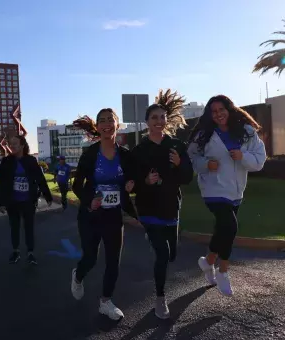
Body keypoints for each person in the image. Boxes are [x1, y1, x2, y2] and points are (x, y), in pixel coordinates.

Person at [188, 95, 266, 296]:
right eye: (213, 112)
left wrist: (243, 157)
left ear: (229, 109)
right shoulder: (204, 134)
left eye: (221, 109)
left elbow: (259, 159)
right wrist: (206, 165)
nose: (218, 114)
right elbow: (192, 158)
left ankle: (208, 262)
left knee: (222, 229)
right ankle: (223, 271)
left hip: (236, 190)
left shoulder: (246, 132)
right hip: (212, 189)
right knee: (230, 226)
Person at [71, 110, 137, 321]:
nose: (107, 124)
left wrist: (130, 184)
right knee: (90, 258)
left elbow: (131, 179)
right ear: (97, 127)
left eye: (111, 120)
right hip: (91, 214)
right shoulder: (90, 154)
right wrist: (90, 201)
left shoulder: (125, 155)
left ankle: (106, 302)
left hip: (113, 216)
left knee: (112, 261)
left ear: (118, 125)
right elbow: (77, 185)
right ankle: (78, 275)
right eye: (102, 121)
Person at [129, 103, 193, 319]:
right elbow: (133, 182)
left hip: (171, 207)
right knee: (163, 254)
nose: (159, 121)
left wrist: (178, 163)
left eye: (162, 117)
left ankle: (157, 240)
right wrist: (145, 180)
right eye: (154, 117)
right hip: (148, 208)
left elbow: (187, 177)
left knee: (172, 254)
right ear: (147, 122)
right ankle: (160, 298)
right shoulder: (139, 151)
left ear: (167, 120)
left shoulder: (176, 145)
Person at [0, 135, 53, 265]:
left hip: (28, 201)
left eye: (15, 143)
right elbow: (1, 183)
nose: (12, 146)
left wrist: (47, 195)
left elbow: (40, 179)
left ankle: (30, 253)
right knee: (14, 227)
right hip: (13, 201)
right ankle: (16, 251)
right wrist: (1, 203)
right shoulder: (6, 161)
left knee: (29, 227)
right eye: (10, 144)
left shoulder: (31, 160)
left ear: (22, 145)